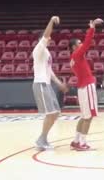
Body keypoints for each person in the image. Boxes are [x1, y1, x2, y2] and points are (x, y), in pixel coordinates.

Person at [32, 16, 68, 150]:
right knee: (51, 113)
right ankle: (41, 140)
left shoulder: (46, 52)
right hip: (40, 84)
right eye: (47, 38)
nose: (50, 39)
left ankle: (43, 139)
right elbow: (47, 35)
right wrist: (52, 21)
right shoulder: (39, 49)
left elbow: (50, 71)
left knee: (56, 112)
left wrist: (59, 84)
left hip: (46, 84)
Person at [69, 18, 103, 151]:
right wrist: (92, 27)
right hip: (87, 86)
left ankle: (76, 140)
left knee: (84, 116)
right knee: (89, 117)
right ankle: (82, 143)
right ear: (74, 47)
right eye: (79, 43)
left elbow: (85, 44)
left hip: (81, 88)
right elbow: (88, 43)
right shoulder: (77, 53)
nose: (81, 43)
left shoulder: (72, 57)